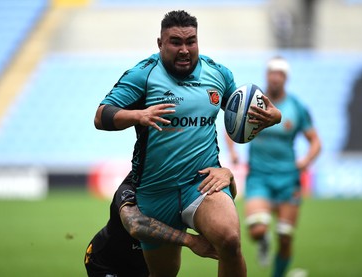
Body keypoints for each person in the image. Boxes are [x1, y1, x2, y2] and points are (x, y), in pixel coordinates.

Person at [94, 10, 281, 277]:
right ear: (160, 44)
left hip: (202, 182)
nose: (184, 49)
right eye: (175, 42)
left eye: (190, 41)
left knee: (229, 240)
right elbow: (101, 116)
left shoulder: (218, 74)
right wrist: (139, 115)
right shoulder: (143, 75)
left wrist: (273, 117)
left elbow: (243, 113)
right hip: (156, 191)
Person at [226, 56, 321, 277]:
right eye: (272, 73)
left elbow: (315, 141)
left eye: (280, 74)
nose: (275, 78)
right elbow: (230, 125)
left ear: (286, 78)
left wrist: (306, 161)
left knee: (286, 236)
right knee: (257, 229)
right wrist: (232, 152)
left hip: (288, 177)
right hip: (259, 175)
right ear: (266, 75)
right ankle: (263, 241)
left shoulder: (296, 107)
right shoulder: (252, 102)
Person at [84, 171, 235, 277]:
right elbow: (135, 225)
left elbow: (220, 203)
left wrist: (229, 177)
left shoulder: (181, 187)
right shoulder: (129, 189)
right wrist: (191, 241)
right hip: (107, 262)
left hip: (147, 265)